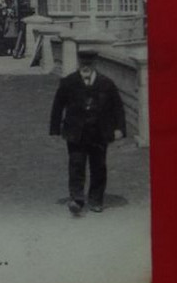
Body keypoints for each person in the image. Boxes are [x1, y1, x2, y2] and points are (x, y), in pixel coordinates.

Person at [49, 47, 126, 216]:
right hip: (76, 133)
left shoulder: (107, 83)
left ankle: (96, 200)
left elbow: (118, 107)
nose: (86, 66)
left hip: (100, 133)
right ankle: (77, 198)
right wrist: (55, 129)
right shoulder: (68, 82)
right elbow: (57, 106)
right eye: (83, 63)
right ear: (79, 63)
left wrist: (120, 128)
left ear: (95, 64)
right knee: (76, 165)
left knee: (98, 167)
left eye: (89, 63)